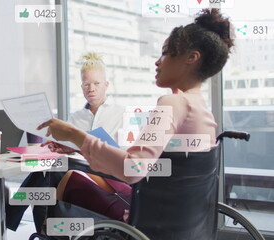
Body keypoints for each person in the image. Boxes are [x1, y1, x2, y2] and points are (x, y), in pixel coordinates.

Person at [38, 9, 233, 239]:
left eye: (166, 54)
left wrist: (74, 134)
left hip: (147, 226)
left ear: (191, 58)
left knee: (62, 191)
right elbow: (151, 164)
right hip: (179, 224)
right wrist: (79, 145)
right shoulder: (201, 109)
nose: (157, 61)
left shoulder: (172, 104)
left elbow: (133, 169)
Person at [5, 52, 127, 232]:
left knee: (52, 169)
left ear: (106, 85)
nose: (91, 88)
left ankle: (14, 222)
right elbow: (70, 148)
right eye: (86, 84)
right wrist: (63, 148)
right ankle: (41, 228)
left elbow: (125, 154)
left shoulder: (121, 113)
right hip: (79, 168)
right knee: (49, 168)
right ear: (81, 86)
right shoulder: (75, 118)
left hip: (107, 174)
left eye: (96, 83)